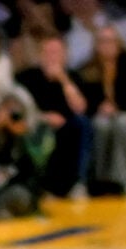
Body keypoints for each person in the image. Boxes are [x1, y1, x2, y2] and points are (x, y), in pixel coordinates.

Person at [20, 34, 91, 197]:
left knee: (82, 124)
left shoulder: (74, 77)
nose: (52, 57)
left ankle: (78, 183)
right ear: (40, 55)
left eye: (57, 52)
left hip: (67, 128)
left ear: (65, 55)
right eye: (48, 52)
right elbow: (19, 108)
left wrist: (64, 80)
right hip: (35, 125)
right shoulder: (27, 77)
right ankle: (36, 185)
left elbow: (80, 108)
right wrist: (43, 117)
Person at [79, 25, 126, 191]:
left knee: (125, 123)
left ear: (119, 43)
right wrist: (99, 107)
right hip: (99, 114)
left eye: (110, 41)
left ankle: (125, 179)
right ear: (96, 45)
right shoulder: (87, 68)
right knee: (101, 125)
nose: (107, 45)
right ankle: (99, 180)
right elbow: (84, 101)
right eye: (102, 41)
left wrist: (118, 107)